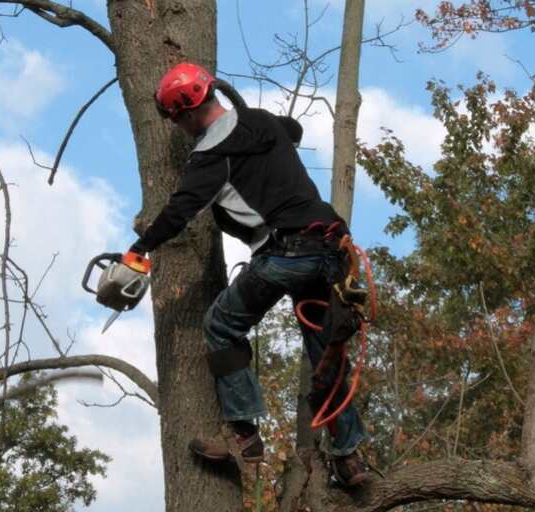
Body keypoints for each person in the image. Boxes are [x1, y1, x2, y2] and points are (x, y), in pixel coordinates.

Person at [130, 62, 370, 487]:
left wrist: (139, 249)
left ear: (184, 113)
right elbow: (292, 129)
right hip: (333, 251)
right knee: (324, 352)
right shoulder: (261, 122)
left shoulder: (210, 158)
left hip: (285, 253)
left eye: (176, 119)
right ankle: (350, 459)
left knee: (220, 325)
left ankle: (244, 436)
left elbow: (179, 212)